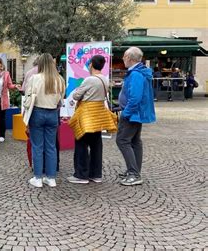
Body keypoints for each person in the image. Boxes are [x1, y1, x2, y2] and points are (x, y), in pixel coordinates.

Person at [68, 55, 117, 184]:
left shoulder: (89, 80)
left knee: (81, 144)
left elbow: (76, 95)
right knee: (96, 145)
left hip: (87, 117)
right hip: (98, 117)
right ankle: (96, 174)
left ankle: (81, 175)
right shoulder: (104, 80)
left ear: (91, 65)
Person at [117, 47, 156, 186]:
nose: (122, 59)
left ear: (129, 57)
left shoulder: (135, 74)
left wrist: (126, 113)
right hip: (136, 114)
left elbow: (135, 98)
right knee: (134, 142)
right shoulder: (139, 72)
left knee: (122, 140)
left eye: (124, 56)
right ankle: (134, 171)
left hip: (132, 114)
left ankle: (134, 173)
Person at [25, 53, 65, 188]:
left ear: (40, 64)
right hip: (53, 113)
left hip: (37, 112)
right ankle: (51, 177)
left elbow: (28, 98)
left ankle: (37, 177)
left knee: (37, 146)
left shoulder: (34, 78)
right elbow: (61, 101)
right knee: (51, 147)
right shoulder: (59, 79)